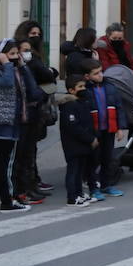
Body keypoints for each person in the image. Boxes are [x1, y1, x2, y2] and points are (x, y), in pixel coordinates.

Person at [0, 38, 30, 212]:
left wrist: (21, 65)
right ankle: (6, 201)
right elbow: (6, 83)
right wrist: (6, 63)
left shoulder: (12, 68)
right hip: (1, 120)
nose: (15, 57)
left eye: (17, 54)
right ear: (0, 54)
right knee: (3, 162)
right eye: (12, 54)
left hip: (13, 118)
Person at [11, 39, 52, 205]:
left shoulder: (25, 67)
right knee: (19, 156)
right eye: (23, 51)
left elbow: (35, 89)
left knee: (29, 154)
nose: (27, 54)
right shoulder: (11, 70)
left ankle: (29, 187)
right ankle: (19, 190)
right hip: (21, 116)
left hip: (32, 114)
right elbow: (32, 92)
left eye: (29, 50)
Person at [83, 63, 124, 200]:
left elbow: (118, 107)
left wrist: (119, 128)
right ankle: (93, 188)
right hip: (94, 131)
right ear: (87, 76)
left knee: (108, 158)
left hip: (109, 129)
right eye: (96, 73)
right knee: (93, 160)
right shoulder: (85, 90)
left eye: (101, 72)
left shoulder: (110, 87)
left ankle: (106, 184)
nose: (100, 75)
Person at [57, 75, 98, 208]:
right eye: (80, 87)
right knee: (73, 171)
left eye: (84, 86)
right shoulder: (69, 105)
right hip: (73, 145)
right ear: (71, 90)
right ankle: (72, 197)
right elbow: (73, 126)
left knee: (80, 171)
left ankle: (79, 193)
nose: (83, 89)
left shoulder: (82, 102)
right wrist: (90, 138)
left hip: (82, 145)